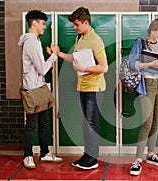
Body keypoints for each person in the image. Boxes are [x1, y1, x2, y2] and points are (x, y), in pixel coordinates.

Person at [57, 7, 108, 170]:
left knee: (91, 122)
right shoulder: (80, 38)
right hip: (83, 86)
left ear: (86, 22)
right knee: (85, 123)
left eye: (77, 24)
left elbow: (104, 67)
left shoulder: (95, 40)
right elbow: (76, 58)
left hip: (95, 88)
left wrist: (83, 69)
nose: (74, 27)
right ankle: (87, 154)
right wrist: (60, 54)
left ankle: (92, 159)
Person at [128, 18, 158, 176]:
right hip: (146, 85)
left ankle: (150, 154)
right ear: (152, 30)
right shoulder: (140, 43)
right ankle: (137, 160)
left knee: (156, 121)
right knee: (146, 123)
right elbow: (131, 64)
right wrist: (148, 65)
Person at [18, 10, 63, 169]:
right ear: (34, 23)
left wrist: (48, 56)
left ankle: (44, 153)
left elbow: (38, 67)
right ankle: (28, 156)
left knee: (44, 122)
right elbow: (43, 69)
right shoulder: (31, 42)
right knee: (32, 124)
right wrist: (54, 55)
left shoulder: (33, 41)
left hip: (38, 87)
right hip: (32, 89)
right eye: (43, 23)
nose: (44, 27)